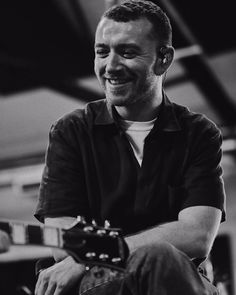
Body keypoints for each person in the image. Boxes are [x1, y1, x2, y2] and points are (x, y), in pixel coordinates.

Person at [34, 0, 226, 294]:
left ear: (163, 59)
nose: (110, 66)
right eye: (102, 52)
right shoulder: (70, 131)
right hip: (97, 279)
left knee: (161, 258)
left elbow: (197, 235)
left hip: (174, 278)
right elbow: (62, 237)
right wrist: (97, 257)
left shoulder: (199, 133)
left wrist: (98, 249)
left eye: (127, 52)